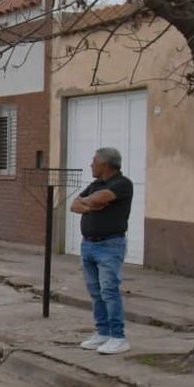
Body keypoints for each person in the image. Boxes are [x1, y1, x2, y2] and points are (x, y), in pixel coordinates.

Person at [71, 147, 134, 355]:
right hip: (88, 244)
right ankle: (103, 332)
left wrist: (90, 201)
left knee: (109, 291)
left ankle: (118, 337)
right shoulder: (95, 184)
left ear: (105, 164)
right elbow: (74, 205)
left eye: (94, 161)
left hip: (110, 246)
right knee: (95, 292)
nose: (91, 165)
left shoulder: (122, 184)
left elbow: (101, 198)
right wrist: (89, 206)